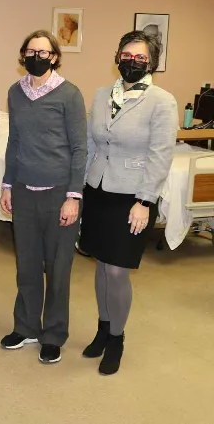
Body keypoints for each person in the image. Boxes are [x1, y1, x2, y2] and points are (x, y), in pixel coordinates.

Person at [79, 31, 177, 375]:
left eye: (140, 57)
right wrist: (79, 190)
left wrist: (145, 201)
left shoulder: (162, 101)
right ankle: (103, 328)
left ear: (151, 63)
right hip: (99, 190)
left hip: (134, 196)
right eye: (126, 54)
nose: (132, 61)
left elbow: (161, 155)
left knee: (118, 269)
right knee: (102, 265)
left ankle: (117, 338)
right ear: (117, 56)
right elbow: (91, 144)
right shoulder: (102, 94)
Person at [0, 30, 87, 364]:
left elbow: (80, 148)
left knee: (58, 267)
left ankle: (53, 334)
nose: (37, 56)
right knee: (27, 264)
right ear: (23, 55)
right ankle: (25, 327)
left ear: (54, 56)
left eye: (44, 51)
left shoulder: (70, 95)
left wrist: (73, 196)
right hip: (23, 191)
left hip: (59, 194)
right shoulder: (15, 92)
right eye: (31, 51)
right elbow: (14, 143)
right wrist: (7, 185)